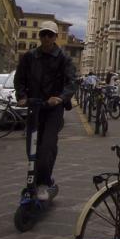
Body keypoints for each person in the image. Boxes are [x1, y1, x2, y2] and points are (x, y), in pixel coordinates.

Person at [14, 20, 76, 201]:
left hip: (53, 109)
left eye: (50, 34)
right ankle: (36, 181)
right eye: (43, 34)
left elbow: (71, 82)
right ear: (40, 36)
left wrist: (61, 97)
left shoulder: (64, 58)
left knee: (47, 146)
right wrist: (22, 96)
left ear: (55, 37)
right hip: (35, 106)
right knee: (31, 148)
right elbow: (20, 79)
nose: (46, 38)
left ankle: (44, 183)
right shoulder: (29, 57)